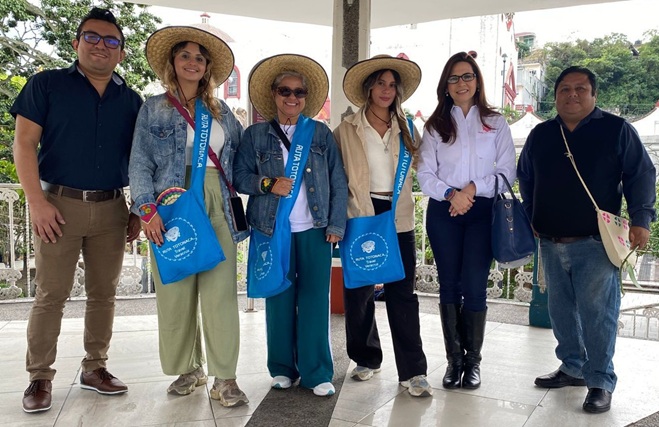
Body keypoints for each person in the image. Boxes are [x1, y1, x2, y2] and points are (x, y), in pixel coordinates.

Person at [10, 7, 142, 413]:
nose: (101, 45)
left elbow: (141, 160)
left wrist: (138, 209)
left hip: (112, 207)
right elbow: (23, 144)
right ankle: (39, 376)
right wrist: (36, 202)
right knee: (51, 294)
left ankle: (95, 368)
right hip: (57, 205)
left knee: (104, 294)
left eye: (111, 40)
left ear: (121, 52)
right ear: (76, 42)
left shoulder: (131, 100)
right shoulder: (47, 85)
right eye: (92, 37)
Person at [517, 66, 656, 414]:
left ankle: (600, 381)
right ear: (555, 96)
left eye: (580, 88)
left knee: (598, 315)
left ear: (594, 95)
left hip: (596, 242)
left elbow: (640, 174)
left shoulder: (616, 129)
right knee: (561, 311)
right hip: (550, 241)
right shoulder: (541, 134)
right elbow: (526, 177)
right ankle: (572, 367)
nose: (572, 94)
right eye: (564, 89)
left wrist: (641, 219)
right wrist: (532, 214)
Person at [128, 23, 249, 407]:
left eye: (200, 58)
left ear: (207, 67)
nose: (193, 62)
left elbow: (242, 159)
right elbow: (139, 163)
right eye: (185, 55)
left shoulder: (222, 111)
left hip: (216, 203)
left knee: (220, 294)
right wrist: (147, 210)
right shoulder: (153, 108)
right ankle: (188, 369)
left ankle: (225, 378)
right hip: (171, 205)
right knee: (176, 294)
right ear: (173, 62)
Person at [233, 54, 347, 397]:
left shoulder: (320, 133)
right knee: (278, 298)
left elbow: (337, 180)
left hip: (315, 228)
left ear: (306, 97)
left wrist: (336, 224)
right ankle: (282, 368)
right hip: (271, 229)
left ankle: (317, 372)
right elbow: (240, 177)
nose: (292, 97)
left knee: (315, 300)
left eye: (299, 92)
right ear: (274, 94)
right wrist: (268, 184)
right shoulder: (255, 135)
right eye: (285, 90)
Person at [333, 55, 432, 397]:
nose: (386, 90)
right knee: (359, 291)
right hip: (361, 211)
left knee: (402, 293)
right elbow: (336, 178)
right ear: (368, 88)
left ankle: (413, 371)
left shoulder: (408, 128)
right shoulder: (346, 129)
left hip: (398, 213)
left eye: (392, 85)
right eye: (380, 83)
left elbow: (424, 167)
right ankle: (366, 357)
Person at [417, 51, 516, 390]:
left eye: (467, 76)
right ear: (445, 85)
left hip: (482, 211)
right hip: (444, 211)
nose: (461, 83)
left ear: (477, 81)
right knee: (448, 285)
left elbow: (507, 172)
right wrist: (451, 194)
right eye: (454, 78)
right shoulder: (434, 126)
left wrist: (472, 189)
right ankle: (453, 361)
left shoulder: (496, 122)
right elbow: (425, 174)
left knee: (474, 285)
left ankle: (473, 362)